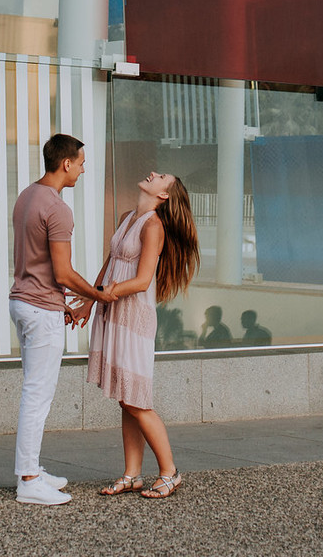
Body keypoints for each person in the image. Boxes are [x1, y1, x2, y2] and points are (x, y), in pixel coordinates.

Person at [8, 133, 111, 506]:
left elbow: (39, 263)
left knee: (34, 392)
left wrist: (61, 299)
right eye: (81, 163)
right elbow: (64, 273)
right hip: (40, 310)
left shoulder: (27, 196)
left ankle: (32, 469)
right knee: (38, 395)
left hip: (24, 302)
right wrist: (96, 295)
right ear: (66, 163)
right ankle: (29, 480)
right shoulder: (57, 207)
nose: (83, 170)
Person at [88, 170, 200, 500]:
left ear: (163, 195)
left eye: (160, 176)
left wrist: (106, 294)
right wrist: (87, 302)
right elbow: (109, 265)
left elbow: (141, 280)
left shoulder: (153, 226)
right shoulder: (127, 218)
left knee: (137, 400)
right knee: (127, 398)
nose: (152, 173)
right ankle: (132, 474)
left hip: (133, 315)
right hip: (112, 308)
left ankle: (169, 472)